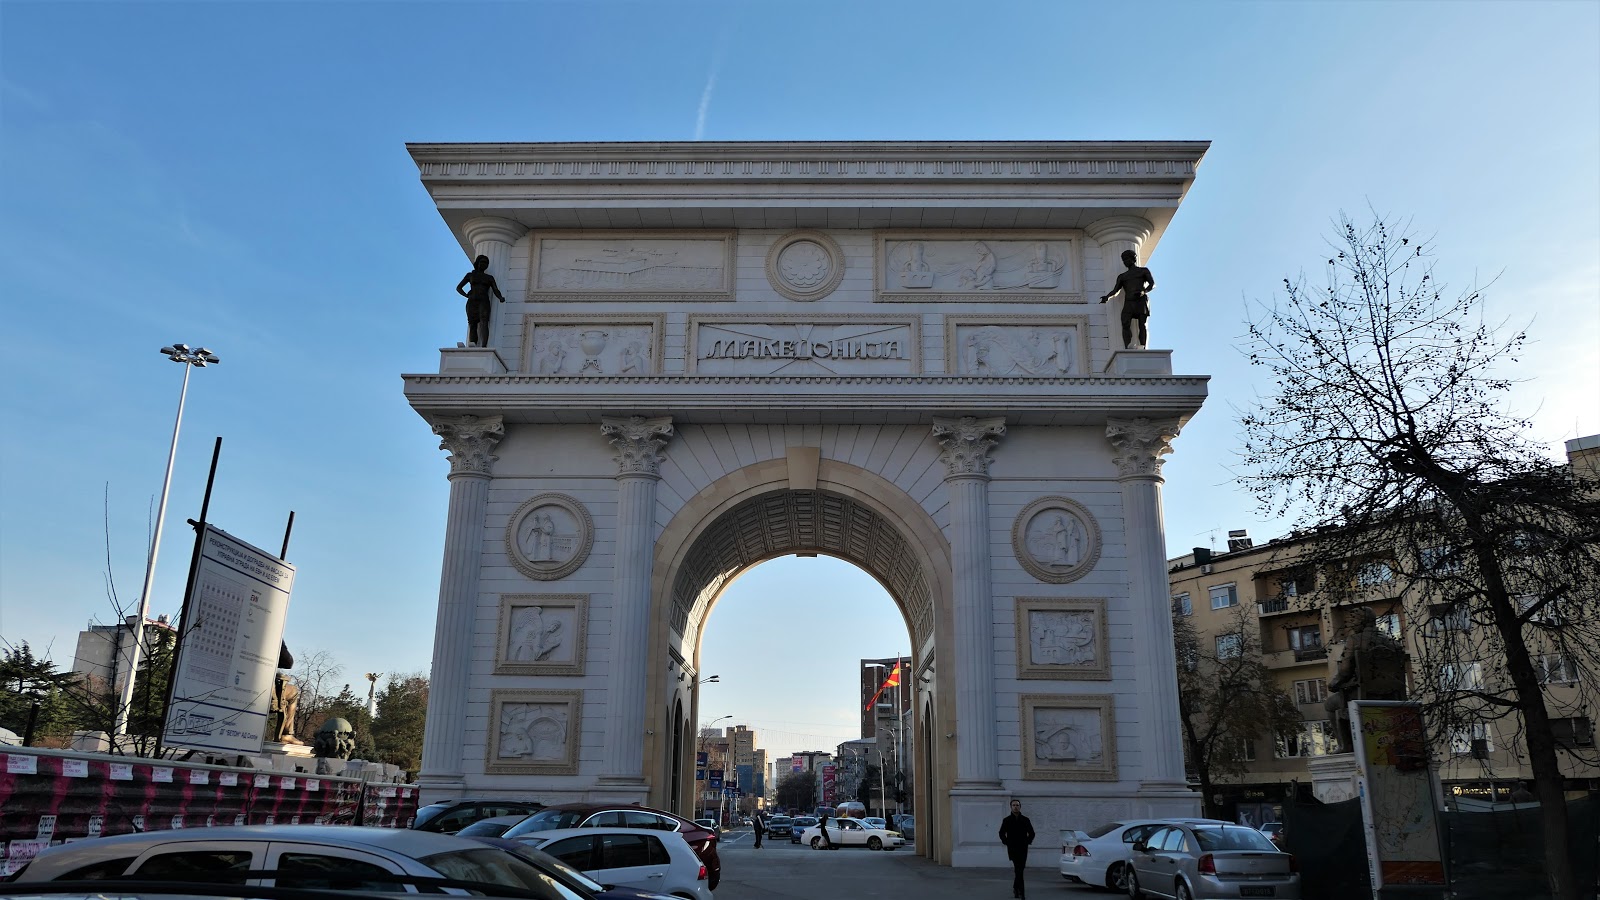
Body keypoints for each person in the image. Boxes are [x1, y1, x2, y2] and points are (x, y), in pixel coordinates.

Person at [1099, 249, 1155, 350]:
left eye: (1126, 259)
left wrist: (1143, 292)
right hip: (1129, 301)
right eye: (1123, 260)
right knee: (1125, 323)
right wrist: (1107, 297)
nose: (1125, 262)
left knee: (1142, 324)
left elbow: (1152, 284)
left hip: (1141, 300)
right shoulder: (1123, 276)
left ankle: (1143, 346)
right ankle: (1127, 347)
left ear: (1133, 259)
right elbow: (1115, 290)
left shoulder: (1143, 271)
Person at [455, 254, 507, 347]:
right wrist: (466, 295)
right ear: (477, 263)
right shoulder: (470, 275)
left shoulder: (489, 278)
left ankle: (484, 346)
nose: (484, 264)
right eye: (482, 262)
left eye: (486, 263)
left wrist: (500, 297)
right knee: (472, 323)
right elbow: (459, 288)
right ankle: (473, 345)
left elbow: (495, 289)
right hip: (472, 301)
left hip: (483, 301)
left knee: (484, 322)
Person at [998, 799, 1035, 899]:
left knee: (1020, 869)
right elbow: (1001, 833)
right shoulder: (1007, 820)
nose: (1015, 807)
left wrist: (1027, 842)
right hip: (1012, 848)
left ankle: (1016, 888)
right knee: (1018, 870)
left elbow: (1032, 833)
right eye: (1013, 805)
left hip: (1023, 848)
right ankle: (1022, 893)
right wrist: (1006, 842)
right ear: (1011, 807)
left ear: (1020, 807)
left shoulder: (1025, 820)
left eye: (1017, 805)